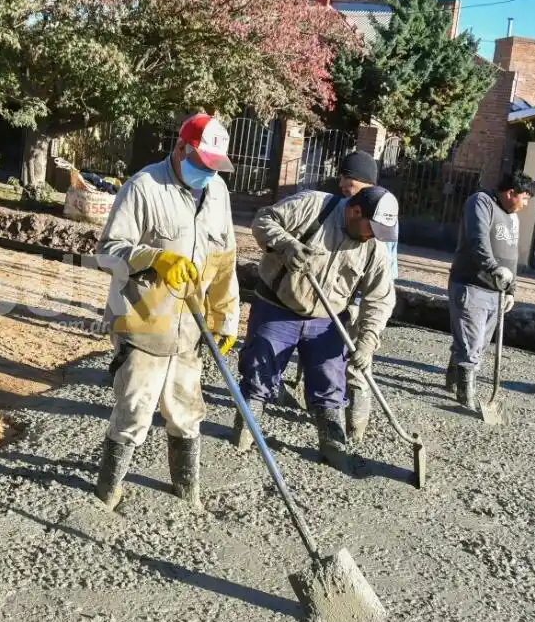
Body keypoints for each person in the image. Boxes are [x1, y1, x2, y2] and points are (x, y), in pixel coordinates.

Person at [93, 113, 239, 511]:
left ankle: (187, 493)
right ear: (180, 148)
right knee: (133, 416)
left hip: (188, 330)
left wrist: (226, 317)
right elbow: (107, 253)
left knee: (187, 413)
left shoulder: (218, 193)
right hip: (142, 325)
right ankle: (106, 495)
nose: (207, 175)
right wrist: (153, 258)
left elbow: (225, 260)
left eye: (214, 168)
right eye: (201, 165)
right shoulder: (144, 187)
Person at [238, 185, 398, 469]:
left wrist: (367, 341)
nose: (372, 235)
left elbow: (380, 300)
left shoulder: (375, 247)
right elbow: (263, 220)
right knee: (259, 373)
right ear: (354, 210)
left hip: (327, 319)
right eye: (370, 227)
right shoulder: (314, 205)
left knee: (329, 383)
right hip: (277, 306)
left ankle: (332, 443)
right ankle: (244, 431)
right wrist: (286, 245)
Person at [445, 173, 535, 408]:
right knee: (471, 341)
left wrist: (511, 290)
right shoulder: (481, 202)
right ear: (510, 193)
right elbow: (478, 240)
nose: (525, 204)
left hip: (496, 290)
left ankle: (453, 380)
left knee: (478, 342)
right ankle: (466, 397)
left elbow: (512, 255)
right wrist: (493, 267)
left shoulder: (513, 218)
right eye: (525, 198)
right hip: (472, 283)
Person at [336, 151, 398, 440]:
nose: (342, 186)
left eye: (348, 180)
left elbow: (382, 276)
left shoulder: (380, 212)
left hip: (366, 297)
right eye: (342, 178)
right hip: (339, 296)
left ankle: (356, 426)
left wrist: (362, 315)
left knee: (359, 362)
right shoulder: (349, 207)